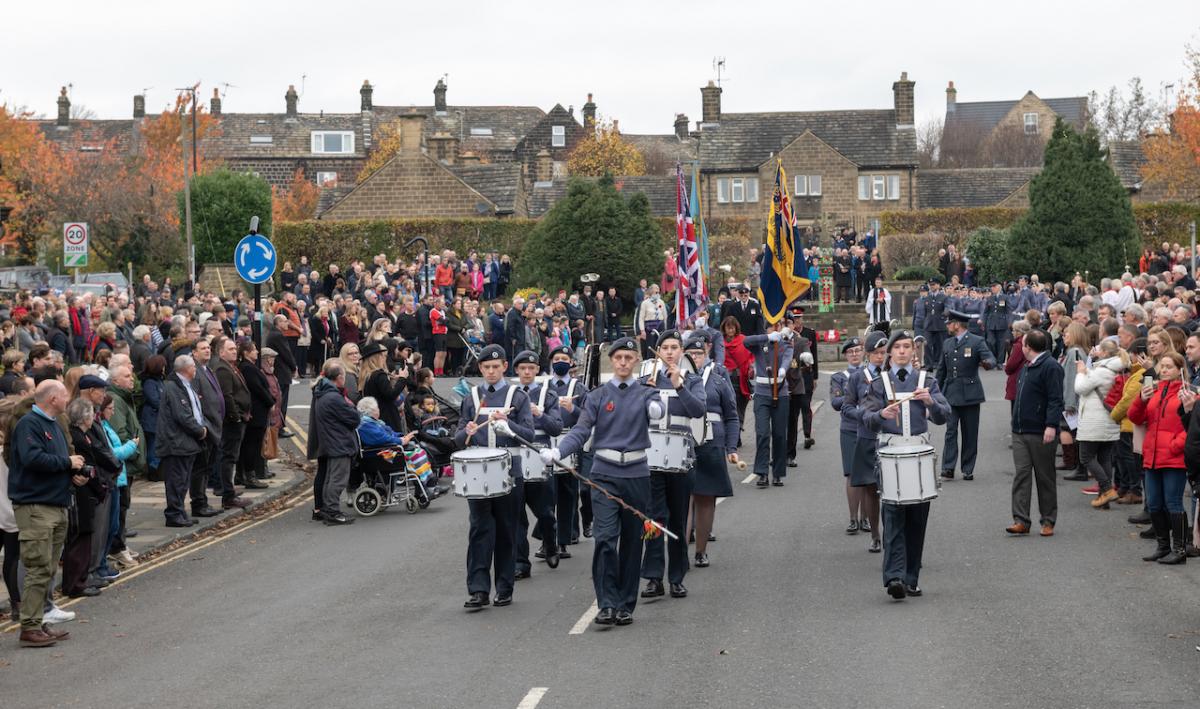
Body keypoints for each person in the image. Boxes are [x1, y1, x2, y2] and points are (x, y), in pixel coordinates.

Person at [541, 336, 698, 626]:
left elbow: (658, 411)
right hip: (605, 474)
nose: (623, 363)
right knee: (604, 539)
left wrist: (657, 401)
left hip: (637, 474)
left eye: (629, 358)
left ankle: (626, 604)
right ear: (611, 361)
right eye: (618, 358)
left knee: (631, 542)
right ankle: (607, 604)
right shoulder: (598, 396)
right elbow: (581, 430)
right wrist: (558, 451)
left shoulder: (647, 392)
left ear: (636, 361)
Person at [861, 330, 951, 600]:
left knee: (916, 520)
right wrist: (881, 414)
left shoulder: (927, 381)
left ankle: (911, 578)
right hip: (890, 454)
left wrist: (930, 402)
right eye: (897, 347)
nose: (902, 351)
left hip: (920, 455)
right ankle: (895, 578)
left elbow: (944, 415)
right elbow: (866, 417)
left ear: (914, 352)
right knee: (893, 517)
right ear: (889, 353)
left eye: (906, 347)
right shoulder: (880, 383)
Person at [454, 345, 536, 610]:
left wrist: (508, 424)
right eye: (486, 368)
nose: (490, 371)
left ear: (504, 366)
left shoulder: (517, 396)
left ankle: (504, 587)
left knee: (506, 530)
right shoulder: (472, 398)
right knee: (479, 530)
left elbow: (530, 435)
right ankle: (478, 590)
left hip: (509, 471)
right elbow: (457, 439)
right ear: (480, 369)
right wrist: (465, 431)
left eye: (495, 367)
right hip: (478, 475)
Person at [638, 330, 706, 600]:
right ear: (658, 351)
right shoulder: (646, 381)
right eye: (664, 347)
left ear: (681, 352)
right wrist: (647, 392)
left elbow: (698, 410)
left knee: (678, 520)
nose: (668, 352)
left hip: (681, 460)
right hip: (650, 461)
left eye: (674, 347)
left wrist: (679, 385)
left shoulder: (693, 380)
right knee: (653, 520)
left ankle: (677, 577)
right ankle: (654, 577)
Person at [685, 331, 739, 568]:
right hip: (682, 441)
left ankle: (701, 550)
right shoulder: (675, 377)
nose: (695, 357)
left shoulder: (717, 377)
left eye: (699, 353)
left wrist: (731, 446)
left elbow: (732, 415)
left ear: (706, 352)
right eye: (690, 354)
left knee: (705, 497)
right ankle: (679, 550)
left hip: (711, 442)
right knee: (683, 497)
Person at [1131, 351, 1189, 565]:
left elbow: (1192, 425)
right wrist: (1140, 398)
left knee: (1173, 502)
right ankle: (1162, 546)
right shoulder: (1153, 391)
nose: (1164, 370)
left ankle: (1180, 548)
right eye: (1162, 366)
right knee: (1154, 503)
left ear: (1179, 370)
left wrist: (1176, 445)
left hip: (1173, 456)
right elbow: (1135, 417)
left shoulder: (1186, 393)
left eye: (1169, 367)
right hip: (1153, 455)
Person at [1007, 329, 1064, 537]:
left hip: (1041, 431)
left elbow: (1056, 399)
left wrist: (1051, 425)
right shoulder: (1027, 366)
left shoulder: (1051, 367)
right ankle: (1021, 519)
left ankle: (1048, 520)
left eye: (1022, 344)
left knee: (1044, 476)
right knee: (1021, 474)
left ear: (1028, 347)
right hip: (1020, 430)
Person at [510, 350, 562, 578]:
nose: (527, 372)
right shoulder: (509, 394)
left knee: (546, 512)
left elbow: (557, 428)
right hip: (515, 455)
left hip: (540, 455)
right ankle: (521, 563)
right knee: (516, 515)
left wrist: (539, 415)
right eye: (523, 369)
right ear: (517, 371)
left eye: (531, 368)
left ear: (537, 371)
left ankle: (550, 543)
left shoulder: (547, 395)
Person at [936, 309, 996, 481]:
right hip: (951, 394)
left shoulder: (977, 341)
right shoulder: (947, 343)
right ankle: (948, 467)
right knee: (950, 431)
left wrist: (988, 363)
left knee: (970, 433)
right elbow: (941, 370)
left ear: (957, 324)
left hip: (970, 394)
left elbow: (990, 358)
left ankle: (967, 468)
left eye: (949, 323)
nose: (947, 326)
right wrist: (936, 392)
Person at [845, 331, 888, 549]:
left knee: (890, 490)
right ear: (868, 354)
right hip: (866, 437)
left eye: (883, 352)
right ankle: (875, 536)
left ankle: (890, 535)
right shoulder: (857, 377)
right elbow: (846, 407)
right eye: (876, 353)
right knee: (871, 489)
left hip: (890, 438)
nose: (881, 357)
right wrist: (862, 414)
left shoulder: (891, 375)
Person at [156, 355, 209, 528]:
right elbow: (182, 415)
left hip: (185, 444)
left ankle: (180, 513)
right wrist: (200, 430)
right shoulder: (173, 387)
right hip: (176, 444)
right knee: (176, 481)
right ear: (186, 369)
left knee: (182, 481)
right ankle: (174, 514)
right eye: (194, 366)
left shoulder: (185, 385)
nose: (196, 369)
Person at [742, 320, 794, 486]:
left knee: (779, 434)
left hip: (781, 392)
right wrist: (766, 336)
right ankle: (762, 472)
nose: (776, 329)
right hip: (762, 393)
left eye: (777, 326)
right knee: (763, 433)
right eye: (772, 326)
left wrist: (783, 369)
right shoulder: (760, 343)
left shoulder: (786, 343)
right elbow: (745, 341)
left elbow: (787, 357)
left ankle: (778, 473)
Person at [1074, 339, 1125, 507]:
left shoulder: (1102, 371)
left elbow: (1080, 388)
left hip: (1094, 420)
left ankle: (1107, 488)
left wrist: (1081, 372)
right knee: (1104, 458)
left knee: (1086, 456)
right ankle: (1105, 499)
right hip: (1108, 420)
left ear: (1104, 352)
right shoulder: (1116, 368)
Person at [311, 360, 361, 526]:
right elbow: (354, 418)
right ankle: (332, 511)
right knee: (338, 480)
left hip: (331, 441)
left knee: (330, 479)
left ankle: (326, 509)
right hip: (339, 443)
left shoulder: (323, 393)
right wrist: (351, 406)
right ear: (339, 377)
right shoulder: (334, 397)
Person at [830, 337, 869, 535]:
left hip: (869, 428)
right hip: (849, 428)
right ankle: (853, 518)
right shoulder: (839, 376)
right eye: (850, 352)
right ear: (845, 355)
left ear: (863, 352)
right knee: (852, 473)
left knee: (869, 475)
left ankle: (866, 518)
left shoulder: (870, 374)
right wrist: (853, 396)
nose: (854, 355)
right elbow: (835, 402)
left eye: (857, 350)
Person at [237, 340, 276, 489]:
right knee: (252, 444)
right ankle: (250, 476)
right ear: (246, 353)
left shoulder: (249, 367)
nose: (257, 352)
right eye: (254, 350)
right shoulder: (248, 368)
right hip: (256, 411)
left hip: (258, 410)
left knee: (250, 444)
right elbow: (258, 388)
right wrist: (270, 402)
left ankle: (241, 475)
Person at [784, 309, 816, 466]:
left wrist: (806, 360)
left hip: (795, 385)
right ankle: (777, 453)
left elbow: (808, 357)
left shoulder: (801, 340)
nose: (787, 326)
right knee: (776, 424)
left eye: (789, 323)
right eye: (784, 323)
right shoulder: (773, 341)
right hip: (776, 386)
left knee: (791, 421)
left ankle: (790, 454)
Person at [985, 282, 1013, 365]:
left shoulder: (1005, 297)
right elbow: (986, 312)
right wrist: (983, 321)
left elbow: (1009, 311)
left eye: (994, 287)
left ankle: (1000, 362)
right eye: (991, 287)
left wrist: (1010, 321)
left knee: (1001, 344)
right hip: (991, 323)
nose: (992, 288)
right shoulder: (989, 298)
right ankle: (994, 359)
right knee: (990, 342)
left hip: (1002, 323)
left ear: (999, 288)